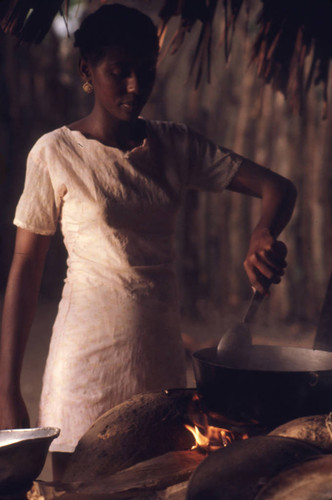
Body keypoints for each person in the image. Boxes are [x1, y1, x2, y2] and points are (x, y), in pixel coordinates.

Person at [0, 4, 297, 480]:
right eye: (119, 72)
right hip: (84, 369)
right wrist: (7, 391)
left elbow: (278, 187)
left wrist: (263, 232)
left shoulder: (175, 146)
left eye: (146, 71)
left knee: (158, 485)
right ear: (87, 70)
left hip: (159, 367)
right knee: (80, 488)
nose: (136, 86)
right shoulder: (55, 152)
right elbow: (25, 271)